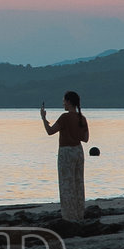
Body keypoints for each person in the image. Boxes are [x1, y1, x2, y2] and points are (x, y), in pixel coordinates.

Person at [40, 90, 90, 221]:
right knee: (78, 183)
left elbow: (50, 131)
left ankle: (69, 216)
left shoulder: (65, 117)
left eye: (64, 101)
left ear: (68, 102)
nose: (63, 104)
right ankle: (79, 214)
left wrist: (44, 119)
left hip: (66, 152)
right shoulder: (82, 118)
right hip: (78, 151)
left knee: (66, 185)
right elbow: (86, 138)